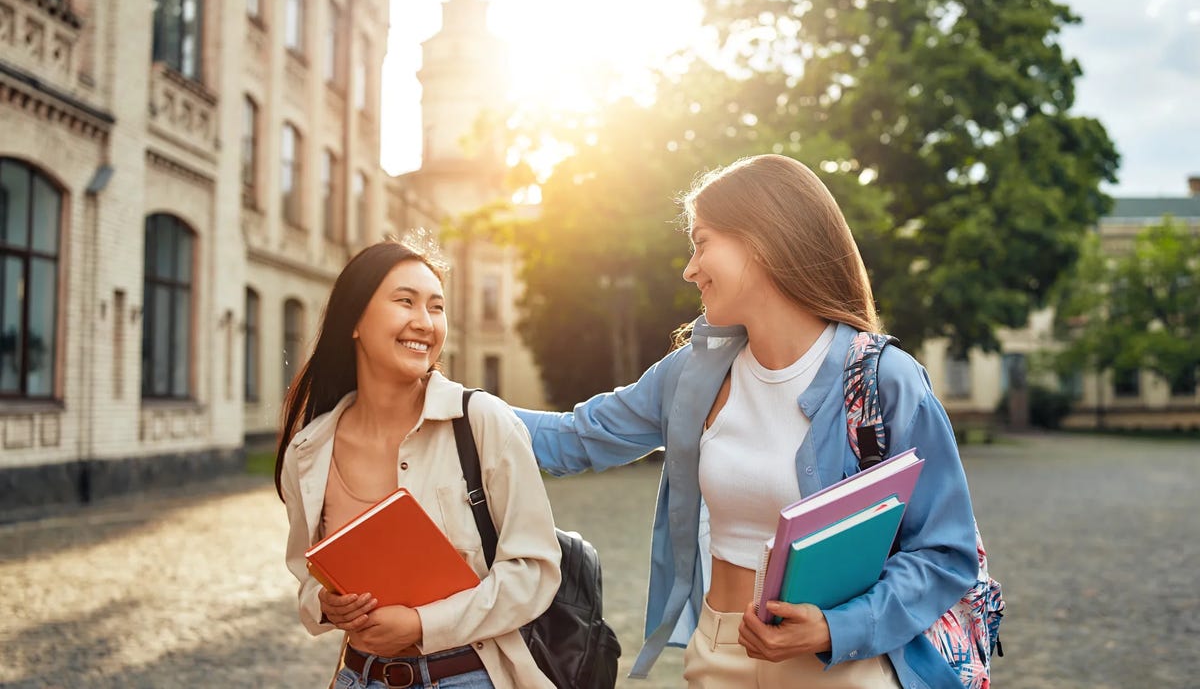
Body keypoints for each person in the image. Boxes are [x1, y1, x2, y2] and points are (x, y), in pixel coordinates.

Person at [514, 154, 979, 688]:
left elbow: (946, 551)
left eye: (702, 242)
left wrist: (834, 626)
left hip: (841, 666)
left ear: (761, 241)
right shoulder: (694, 372)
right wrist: (444, 399)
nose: (690, 269)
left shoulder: (883, 379)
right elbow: (575, 439)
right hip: (719, 655)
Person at [275, 238, 561, 689]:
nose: (424, 323)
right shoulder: (308, 450)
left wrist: (422, 625)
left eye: (436, 307)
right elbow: (306, 574)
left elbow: (535, 571)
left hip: (467, 676)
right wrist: (327, 605)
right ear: (353, 320)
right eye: (405, 302)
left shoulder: (481, 421)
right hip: (358, 676)